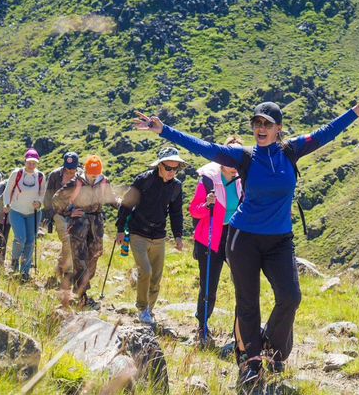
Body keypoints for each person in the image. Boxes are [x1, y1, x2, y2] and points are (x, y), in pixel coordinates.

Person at [134, 83, 359, 387]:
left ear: (278, 129)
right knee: (248, 302)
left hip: (280, 240)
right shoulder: (244, 157)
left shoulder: (291, 150)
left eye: (266, 124)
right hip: (243, 239)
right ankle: (251, 361)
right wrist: (165, 130)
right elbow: (204, 147)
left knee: (290, 297)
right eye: (256, 123)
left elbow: (326, 132)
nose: (260, 128)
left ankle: (270, 349)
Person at [116, 146, 186, 325]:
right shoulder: (144, 180)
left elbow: (176, 213)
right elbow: (126, 205)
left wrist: (178, 236)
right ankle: (141, 307)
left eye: (175, 168)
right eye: (168, 168)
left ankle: (149, 309)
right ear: (159, 166)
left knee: (156, 276)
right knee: (145, 270)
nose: (172, 172)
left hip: (159, 235)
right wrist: (119, 230)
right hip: (138, 232)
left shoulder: (176, 187)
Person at [189, 135, 244, 345]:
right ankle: (202, 327)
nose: (234, 165)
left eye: (238, 159)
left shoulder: (243, 181)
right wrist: (207, 205)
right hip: (209, 240)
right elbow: (194, 210)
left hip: (233, 239)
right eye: (230, 159)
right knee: (209, 287)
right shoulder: (208, 180)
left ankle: (241, 331)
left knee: (243, 284)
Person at [52, 155, 119, 309]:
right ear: (86, 170)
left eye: (96, 172)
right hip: (79, 224)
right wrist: (68, 212)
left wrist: (124, 208)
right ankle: (81, 295)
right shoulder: (76, 182)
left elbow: (112, 199)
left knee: (94, 255)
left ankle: (81, 287)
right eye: (91, 172)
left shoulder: (104, 182)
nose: (94, 175)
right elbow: (56, 199)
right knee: (79, 257)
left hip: (96, 224)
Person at [3, 148, 45, 282]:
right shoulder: (17, 173)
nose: (32, 165)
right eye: (29, 162)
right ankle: (14, 262)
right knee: (20, 238)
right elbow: (7, 190)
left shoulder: (40, 176)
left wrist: (39, 203)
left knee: (30, 241)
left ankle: (25, 272)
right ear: (25, 161)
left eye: (34, 163)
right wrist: (6, 204)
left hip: (33, 213)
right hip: (16, 210)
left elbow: (43, 194)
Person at [43, 152, 81, 282]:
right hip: (58, 213)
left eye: (72, 168)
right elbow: (48, 196)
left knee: (72, 242)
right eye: (67, 167)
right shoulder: (55, 175)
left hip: (74, 213)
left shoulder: (81, 176)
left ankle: (60, 269)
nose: (70, 170)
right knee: (67, 239)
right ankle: (66, 273)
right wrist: (50, 214)